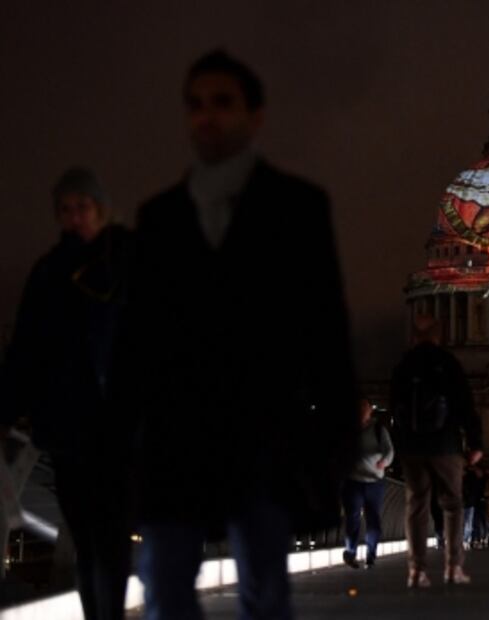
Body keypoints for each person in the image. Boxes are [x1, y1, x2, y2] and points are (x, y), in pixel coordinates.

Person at [121, 50, 358, 619]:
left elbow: (327, 335)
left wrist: (333, 445)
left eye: (222, 102)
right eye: (196, 104)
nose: (207, 116)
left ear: (255, 116)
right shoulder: (157, 216)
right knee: (164, 586)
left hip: (264, 439)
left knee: (263, 589)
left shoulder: (299, 207)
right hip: (175, 442)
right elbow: (137, 344)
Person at [0, 168, 133, 620]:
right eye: (65, 209)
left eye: (83, 206)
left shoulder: (128, 260)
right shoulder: (48, 272)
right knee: (88, 538)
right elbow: (25, 354)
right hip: (69, 428)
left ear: (101, 208)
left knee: (110, 537)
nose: (74, 217)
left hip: (120, 427)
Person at [390, 314, 483, 588]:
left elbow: (394, 406)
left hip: (413, 446)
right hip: (445, 444)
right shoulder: (448, 364)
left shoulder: (403, 365)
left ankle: (416, 571)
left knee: (416, 505)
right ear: (438, 336)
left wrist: (401, 442)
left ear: (413, 337)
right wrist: (475, 443)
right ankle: (453, 567)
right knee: (453, 505)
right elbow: (466, 405)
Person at [342, 398, 394, 569]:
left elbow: (389, 450)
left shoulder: (379, 429)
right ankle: (350, 553)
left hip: (374, 481)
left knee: (373, 520)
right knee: (352, 519)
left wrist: (384, 462)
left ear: (370, 410)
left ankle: (370, 555)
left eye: (364, 408)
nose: (360, 411)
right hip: (353, 481)